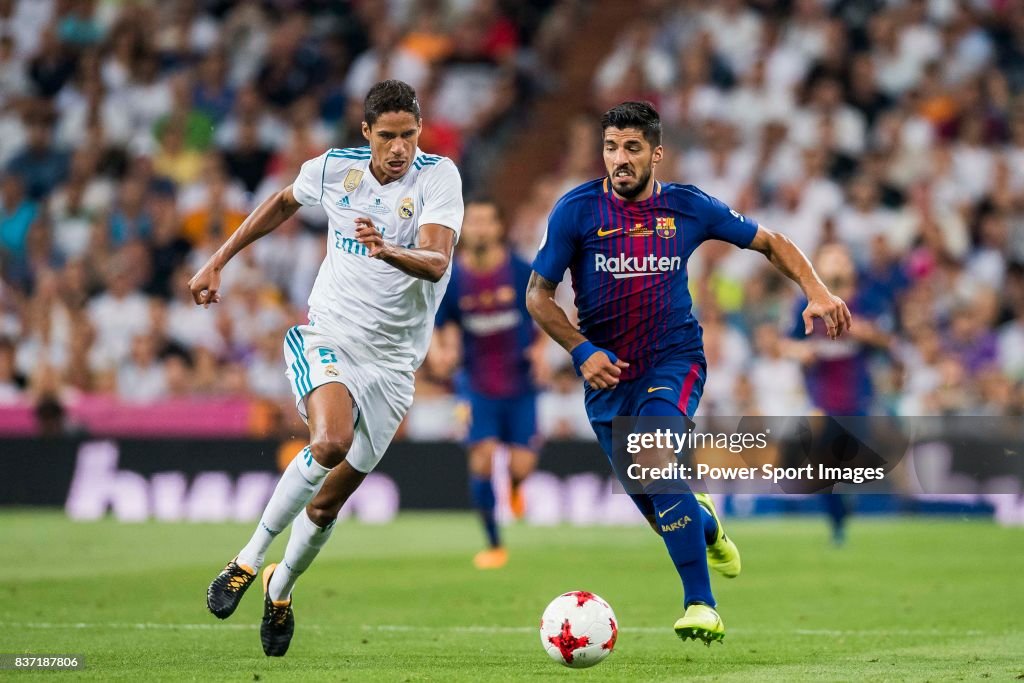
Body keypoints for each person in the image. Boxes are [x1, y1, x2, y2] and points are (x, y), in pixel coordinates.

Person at [525, 101, 852, 645]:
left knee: (656, 460)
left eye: (632, 148)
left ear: (656, 153)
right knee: (661, 509)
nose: (619, 159)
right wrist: (580, 350)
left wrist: (817, 291)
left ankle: (701, 604)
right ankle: (708, 525)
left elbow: (770, 241)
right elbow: (538, 296)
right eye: (611, 147)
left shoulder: (689, 207)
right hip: (606, 378)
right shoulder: (575, 211)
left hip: (673, 361)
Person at [190, 80, 463, 657]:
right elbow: (284, 201)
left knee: (325, 504)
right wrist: (218, 260)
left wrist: (389, 249)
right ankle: (248, 558)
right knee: (330, 442)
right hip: (331, 333)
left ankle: (280, 588)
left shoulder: (439, 177)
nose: (398, 148)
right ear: (366, 134)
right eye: (386, 137)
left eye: (408, 135)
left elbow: (438, 262)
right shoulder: (335, 170)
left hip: (394, 366)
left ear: (420, 131)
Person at [431, 198, 541, 570]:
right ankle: (494, 543)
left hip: (520, 383)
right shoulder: (454, 278)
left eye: (485, 222)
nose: (478, 229)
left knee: (522, 465)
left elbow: (543, 313)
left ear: (498, 229)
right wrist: (442, 351)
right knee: (481, 457)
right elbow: (441, 323)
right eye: (472, 222)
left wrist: (542, 354)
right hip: (475, 384)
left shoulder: (519, 270)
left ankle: (514, 487)